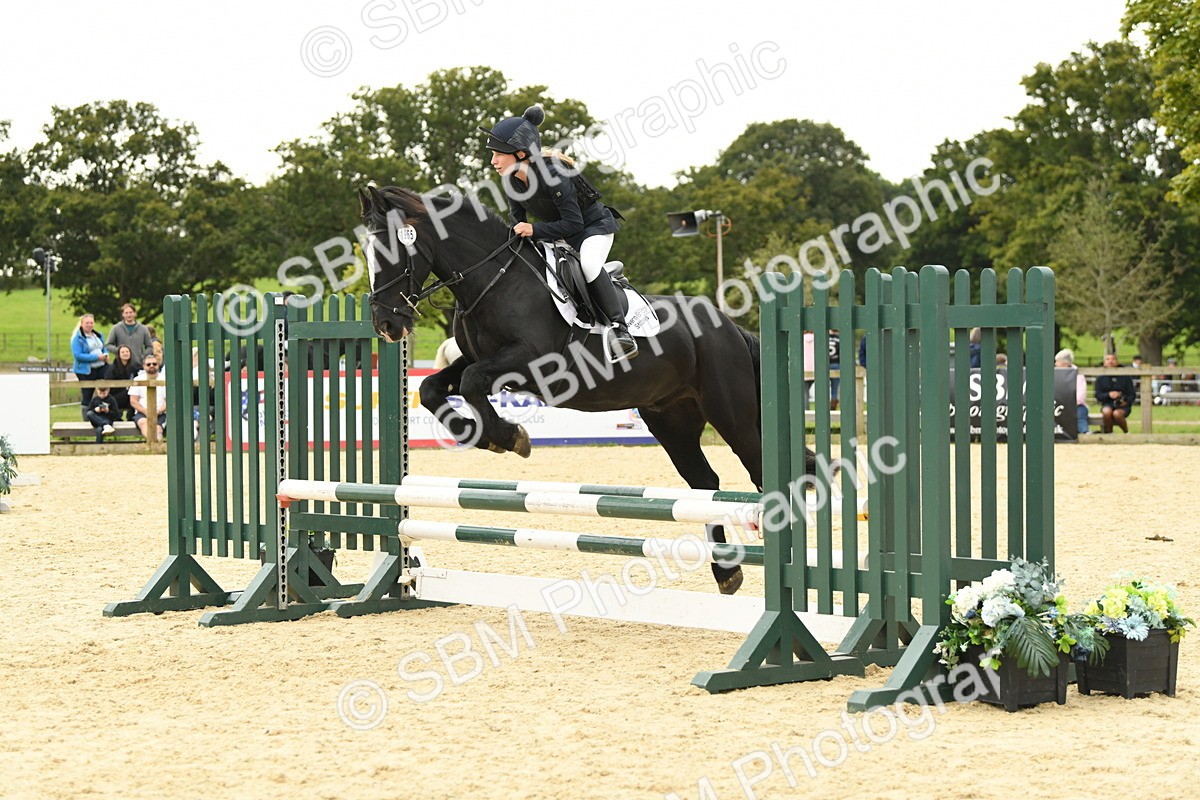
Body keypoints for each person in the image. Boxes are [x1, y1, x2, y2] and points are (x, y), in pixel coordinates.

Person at [480, 105, 636, 361]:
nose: (493, 161)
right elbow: (517, 222)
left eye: (498, 154)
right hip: (559, 235)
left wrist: (534, 230)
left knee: (588, 264)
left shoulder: (554, 173)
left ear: (521, 153)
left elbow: (574, 224)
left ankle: (620, 330)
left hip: (592, 229)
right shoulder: (511, 179)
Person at [70, 313, 110, 415]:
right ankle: (86, 417)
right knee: (87, 393)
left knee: (109, 385)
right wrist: (96, 357)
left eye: (91, 323)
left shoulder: (98, 335)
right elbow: (78, 356)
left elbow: (103, 347)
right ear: (82, 324)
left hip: (101, 366)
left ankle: (108, 412)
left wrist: (106, 354)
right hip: (86, 370)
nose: (89, 325)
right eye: (87, 323)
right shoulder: (77, 339)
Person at [1094, 352, 1135, 433]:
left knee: (1117, 414)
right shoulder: (1100, 378)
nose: (1110, 361)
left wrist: (1126, 401)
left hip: (1123, 404)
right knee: (1106, 412)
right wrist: (1108, 394)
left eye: (1113, 359)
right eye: (1108, 359)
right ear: (1104, 362)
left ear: (1117, 362)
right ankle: (1109, 433)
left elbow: (1132, 394)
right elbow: (1098, 395)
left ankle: (1126, 433)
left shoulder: (1125, 377)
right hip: (1107, 403)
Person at [129, 355, 167, 440]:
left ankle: (157, 444)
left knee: (158, 428)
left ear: (158, 365)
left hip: (162, 413)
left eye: (154, 364)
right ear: (144, 366)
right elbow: (133, 401)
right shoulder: (138, 380)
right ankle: (152, 443)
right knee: (144, 424)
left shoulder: (165, 379)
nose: (151, 366)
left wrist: (159, 411)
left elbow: (170, 400)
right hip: (142, 412)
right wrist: (146, 411)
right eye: (148, 364)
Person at [1055, 349, 1089, 435]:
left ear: (1064, 363)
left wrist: (1069, 403)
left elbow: (1081, 396)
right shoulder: (1055, 373)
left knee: (1080, 413)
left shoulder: (1078, 375)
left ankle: (1084, 432)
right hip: (1057, 405)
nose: (1056, 364)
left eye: (1057, 361)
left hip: (1076, 405)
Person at [104, 344, 142, 420]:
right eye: (123, 352)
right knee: (130, 394)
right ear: (119, 354)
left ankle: (132, 418)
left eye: (127, 352)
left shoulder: (133, 367)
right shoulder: (112, 368)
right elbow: (108, 384)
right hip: (114, 395)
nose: (125, 353)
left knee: (135, 395)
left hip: (129, 393)